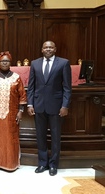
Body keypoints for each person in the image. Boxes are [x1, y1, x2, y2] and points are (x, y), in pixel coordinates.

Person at [27, 41, 71, 176]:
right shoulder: (35, 63)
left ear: (55, 49)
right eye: (46, 47)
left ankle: (53, 165)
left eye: (51, 47)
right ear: (42, 49)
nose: (48, 49)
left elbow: (67, 87)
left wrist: (65, 105)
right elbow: (31, 86)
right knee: (40, 136)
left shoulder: (63, 63)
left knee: (55, 137)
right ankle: (42, 163)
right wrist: (30, 104)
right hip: (39, 105)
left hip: (56, 107)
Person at [0, 51, 27, 171]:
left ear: (10, 63)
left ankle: (11, 163)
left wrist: (20, 111)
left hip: (12, 114)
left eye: (7, 61)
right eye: (2, 61)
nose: (5, 63)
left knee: (10, 138)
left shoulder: (16, 77)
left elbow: (22, 95)